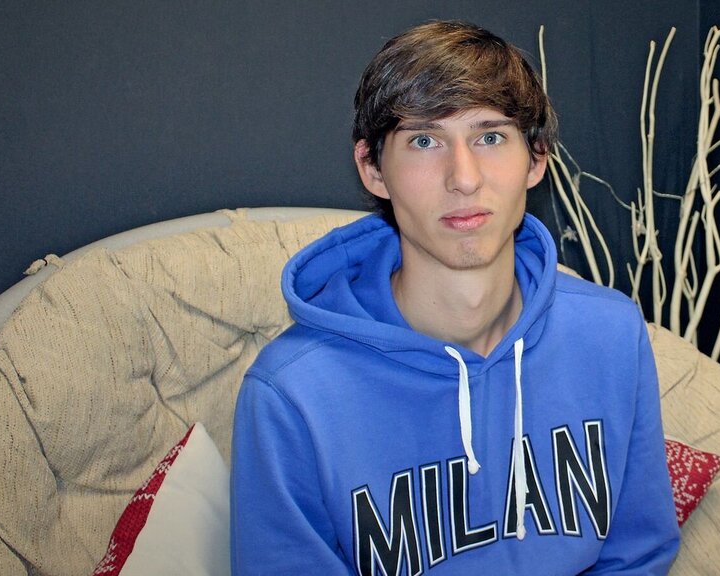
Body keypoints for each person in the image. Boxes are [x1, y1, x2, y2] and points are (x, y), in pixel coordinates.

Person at [230, 20, 680, 575]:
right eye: (424, 141)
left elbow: (638, 554)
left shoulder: (611, 334)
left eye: (490, 137)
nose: (463, 178)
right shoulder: (290, 395)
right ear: (372, 169)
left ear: (536, 158)